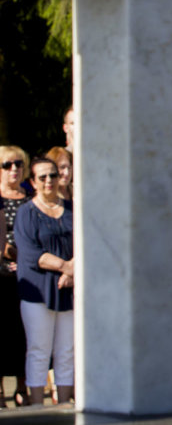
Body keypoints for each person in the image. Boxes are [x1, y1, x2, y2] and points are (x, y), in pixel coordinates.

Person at [14, 158, 74, 405]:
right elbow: (30, 253)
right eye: (42, 177)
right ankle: (37, 408)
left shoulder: (72, 209)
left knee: (67, 351)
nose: (49, 181)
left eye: (52, 175)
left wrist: (72, 273)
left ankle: (64, 405)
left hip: (69, 289)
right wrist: (67, 267)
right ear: (33, 182)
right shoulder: (26, 212)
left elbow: (86, 242)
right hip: (38, 290)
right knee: (39, 350)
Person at [0, 146, 30, 406]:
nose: (14, 169)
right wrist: (9, 254)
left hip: (28, 275)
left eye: (18, 164)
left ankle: (22, 387)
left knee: (23, 333)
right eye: (7, 164)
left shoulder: (30, 195)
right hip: (2, 273)